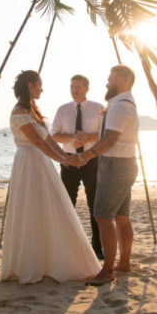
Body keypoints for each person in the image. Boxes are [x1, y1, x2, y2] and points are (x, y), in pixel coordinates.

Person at [0, 70, 100, 284]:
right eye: (39, 85)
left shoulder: (33, 110)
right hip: (28, 163)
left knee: (51, 206)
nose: (42, 89)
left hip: (42, 162)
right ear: (29, 86)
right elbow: (37, 142)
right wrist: (64, 161)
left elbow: (49, 140)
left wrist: (66, 156)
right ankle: (31, 262)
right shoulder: (19, 112)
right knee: (32, 208)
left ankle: (52, 259)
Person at [65, 65, 139, 286]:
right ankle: (124, 263)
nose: (107, 83)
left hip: (115, 166)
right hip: (126, 164)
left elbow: (109, 140)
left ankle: (107, 270)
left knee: (103, 216)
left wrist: (84, 157)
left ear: (123, 81)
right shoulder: (121, 104)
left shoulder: (119, 107)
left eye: (110, 79)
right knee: (121, 217)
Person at [51, 75, 104, 259]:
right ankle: (67, 245)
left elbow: (104, 135)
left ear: (86, 88)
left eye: (78, 87)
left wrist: (88, 137)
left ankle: (97, 247)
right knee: (67, 203)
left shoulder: (98, 108)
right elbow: (55, 136)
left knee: (94, 204)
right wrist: (73, 137)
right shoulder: (63, 110)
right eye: (72, 86)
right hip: (68, 161)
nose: (74, 90)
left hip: (92, 160)